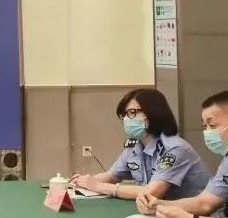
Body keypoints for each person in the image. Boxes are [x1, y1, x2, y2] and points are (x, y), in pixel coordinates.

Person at [140, 91, 228, 218]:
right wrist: (157, 204)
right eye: (205, 126)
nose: (207, 133)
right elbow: (204, 203)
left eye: (212, 125)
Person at [73, 88, 210, 206]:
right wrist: (81, 182)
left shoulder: (174, 148)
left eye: (132, 112)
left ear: (153, 113)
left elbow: (151, 193)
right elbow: (112, 176)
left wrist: (97, 186)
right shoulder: (135, 146)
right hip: (161, 213)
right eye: (125, 114)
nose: (127, 119)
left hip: (195, 217)